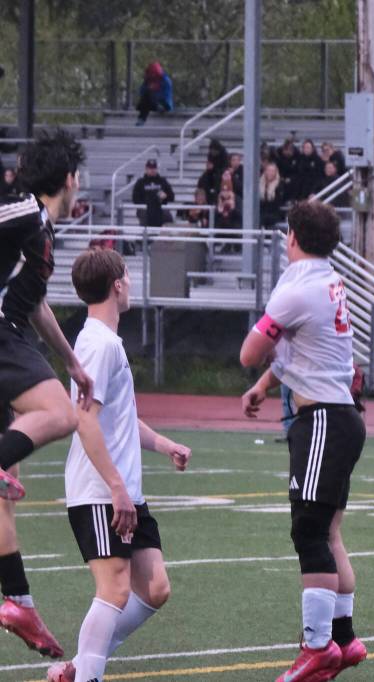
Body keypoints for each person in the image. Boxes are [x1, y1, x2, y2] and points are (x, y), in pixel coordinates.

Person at [46, 249, 192, 682]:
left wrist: (164, 444)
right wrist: (115, 488)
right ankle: (87, 674)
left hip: (123, 489)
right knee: (114, 589)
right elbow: (85, 420)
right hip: (100, 492)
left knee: (154, 588)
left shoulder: (106, 342)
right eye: (127, 274)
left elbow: (120, 417)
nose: (130, 281)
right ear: (117, 285)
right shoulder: (97, 343)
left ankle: (80, 665)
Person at [239, 200, 367, 681]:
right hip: (340, 415)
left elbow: (249, 351)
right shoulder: (325, 278)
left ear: (291, 235)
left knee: (309, 532)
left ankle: (317, 646)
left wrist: (260, 362)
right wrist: (265, 386)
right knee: (328, 533)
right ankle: (344, 637)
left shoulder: (299, 288)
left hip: (323, 420)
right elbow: (301, 349)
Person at [0, 130, 94, 659]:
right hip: (1, 334)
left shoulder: (40, 231)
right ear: (67, 179)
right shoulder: (25, 215)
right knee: (59, 414)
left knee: (5, 485)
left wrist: (72, 361)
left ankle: (16, 599)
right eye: (79, 176)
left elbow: (35, 305)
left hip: (13, 330)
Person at [131, 158, 174, 227]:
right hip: (145, 209)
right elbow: (135, 198)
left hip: (160, 208)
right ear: (146, 169)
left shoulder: (162, 181)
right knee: (145, 214)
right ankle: (145, 235)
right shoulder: (140, 182)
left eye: (154, 168)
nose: (152, 170)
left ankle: (165, 235)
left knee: (168, 216)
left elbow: (172, 197)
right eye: (150, 168)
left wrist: (166, 196)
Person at [135, 62, 173, 126]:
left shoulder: (166, 80)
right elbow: (141, 92)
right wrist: (148, 88)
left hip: (164, 104)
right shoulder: (148, 80)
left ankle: (157, 107)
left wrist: (155, 96)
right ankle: (141, 120)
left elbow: (166, 96)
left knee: (149, 95)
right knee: (146, 97)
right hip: (154, 104)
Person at [259, 162, 286, 228]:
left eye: (272, 171)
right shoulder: (259, 183)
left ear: (276, 173)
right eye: (268, 170)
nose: (270, 173)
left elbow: (279, 201)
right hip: (261, 212)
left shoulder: (280, 184)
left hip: (274, 212)